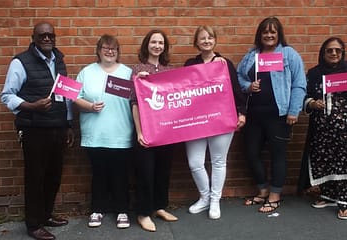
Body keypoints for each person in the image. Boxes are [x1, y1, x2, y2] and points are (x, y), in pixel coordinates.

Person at [0, 21, 74, 240]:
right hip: (34, 130)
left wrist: (68, 123)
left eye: (51, 35)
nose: (47, 39)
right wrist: (31, 106)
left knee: (53, 176)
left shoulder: (59, 61)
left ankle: (46, 215)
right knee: (35, 177)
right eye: (42, 36)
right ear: (33, 38)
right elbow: (7, 95)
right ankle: (33, 225)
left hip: (57, 128)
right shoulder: (21, 62)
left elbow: (66, 96)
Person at [237, 17, 307, 213]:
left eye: (273, 32)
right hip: (254, 115)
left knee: (278, 155)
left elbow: (299, 83)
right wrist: (248, 86)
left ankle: (275, 195)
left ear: (279, 34)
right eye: (265, 32)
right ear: (260, 35)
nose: (268, 35)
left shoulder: (288, 54)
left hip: (279, 114)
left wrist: (294, 110)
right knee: (251, 153)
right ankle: (262, 189)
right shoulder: (252, 55)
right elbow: (238, 76)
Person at [184, 25, 247, 220]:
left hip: (221, 118)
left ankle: (215, 200)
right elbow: (179, 89)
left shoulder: (224, 63)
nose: (206, 41)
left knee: (219, 161)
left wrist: (242, 113)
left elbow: (237, 90)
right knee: (195, 162)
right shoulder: (189, 64)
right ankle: (204, 197)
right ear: (196, 42)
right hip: (195, 120)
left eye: (210, 37)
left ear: (215, 40)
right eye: (202, 38)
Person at [301, 37, 347, 220]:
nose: (333, 53)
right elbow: (303, 94)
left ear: (342, 52)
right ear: (323, 53)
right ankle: (328, 195)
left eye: (337, 50)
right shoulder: (314, 73)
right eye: (329, 50)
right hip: (321, 129)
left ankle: (344, 202)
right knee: (324, 160)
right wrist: (312, 103)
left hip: (345, 128)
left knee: (345, 161)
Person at [74, 34, 134, 229]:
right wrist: (90, 107)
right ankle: (97, 209)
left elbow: (137, 101)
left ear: (118, 52)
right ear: (99, 51)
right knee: (98, 174)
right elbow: (75, 98)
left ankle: (122, 210)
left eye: (113, 49)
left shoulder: (127, 73)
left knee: (120, 174)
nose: (110, 52)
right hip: (95, 135)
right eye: (106, 48)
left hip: (121, 134)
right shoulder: (86, 72)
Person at [131, 29, 178, 232]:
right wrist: (139, 132)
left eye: (161, 43)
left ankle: (159, 206)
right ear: (147, 45)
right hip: (147, 132)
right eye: (153, 42)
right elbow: (134, 103)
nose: (157, 46)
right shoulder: (138, 69)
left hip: (166, 132)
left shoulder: (170, 70)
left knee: (163, 172)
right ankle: (143, 213)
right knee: (145, 174)